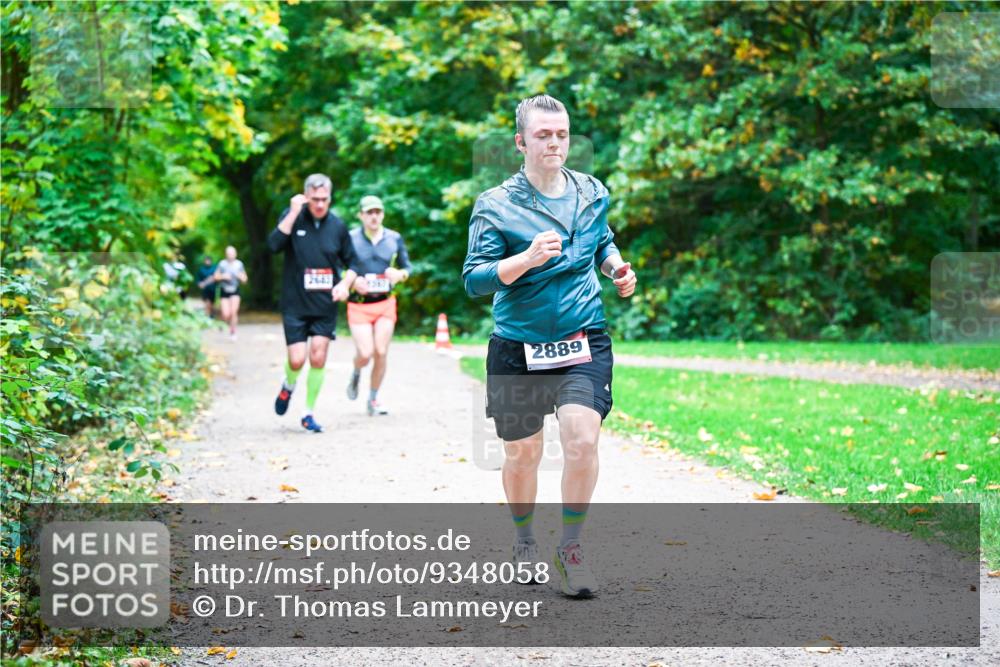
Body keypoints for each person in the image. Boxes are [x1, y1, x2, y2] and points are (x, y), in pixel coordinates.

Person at [462, 94, 637, 598]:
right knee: (522, 455)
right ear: (521, 142)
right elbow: (474, 279)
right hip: (517, 346)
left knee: (582, 438)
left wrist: (616, 268)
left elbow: (602, 241)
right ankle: (525, 542)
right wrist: (527, 259)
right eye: (543, 135)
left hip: (583, 339)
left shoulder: (591, 191)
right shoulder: (495, 204)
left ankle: (572, 548)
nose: (554, 143)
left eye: (561, 134)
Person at [268, 173, 358, 433]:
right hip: (295, 303)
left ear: (330, 199)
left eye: (324, 199)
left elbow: (353, 263)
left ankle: (308, 413)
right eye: (315, 199)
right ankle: (288, 385)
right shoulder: (293, 217)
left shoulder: (338, 226)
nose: (320, 204)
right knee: (297, 360)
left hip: (324, 305)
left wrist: (344, 284)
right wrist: (293, 212)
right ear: (306, 197)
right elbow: (273, 245)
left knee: (318, 357)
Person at [345, 195, 412, 416]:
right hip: (359, 304)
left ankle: (373, 399)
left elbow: (407, 268)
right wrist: (352, 281)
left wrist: (400, 275)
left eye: (377, 212)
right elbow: (337, 266)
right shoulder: (350, 238)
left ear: (382, 214)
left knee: (381, 351)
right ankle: (356, 371)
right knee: (365, 353)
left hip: (385, 303)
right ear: (361, 215)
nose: (374, 216)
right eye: (369, 212)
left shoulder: (394, 238)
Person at [214, 246, 248, 340]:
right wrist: (223, 276)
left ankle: (233, 332)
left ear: (235, 254)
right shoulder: (222, 264)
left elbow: (245, 279)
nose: (230, 255)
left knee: (233, 312)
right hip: (224, 291)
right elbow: (215, 277)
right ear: (226, 254)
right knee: (226, 314)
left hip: (235, 291)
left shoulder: (239, 264)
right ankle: (222, 321)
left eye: (232, 253)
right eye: (229, 253)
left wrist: (240, 277)